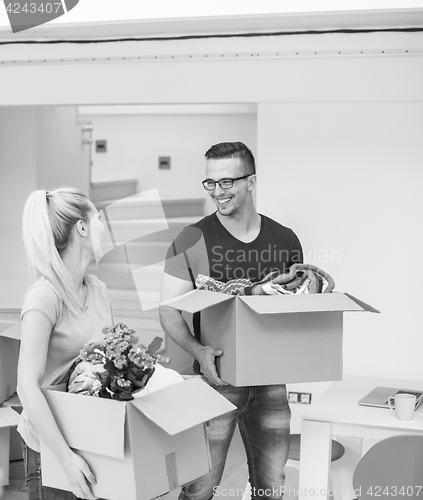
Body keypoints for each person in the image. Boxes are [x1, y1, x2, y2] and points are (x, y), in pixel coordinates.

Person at [159, 142, 303, 500]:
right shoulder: (191, 239)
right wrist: (198, 351)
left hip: (271, 380)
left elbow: (296, 306)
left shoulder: (284, 240)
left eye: (227, 182)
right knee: (199, 488)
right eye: (210, 183)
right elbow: (168, 309)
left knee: (272, 487)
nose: (217, 193)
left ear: (250, 181)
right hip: (216, 378)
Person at [17, 187, 112, 500]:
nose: (103, 225)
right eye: (98, 217)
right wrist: (65, 457)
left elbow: (107, 361)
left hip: (87, 434)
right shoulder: (45, 297)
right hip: (50, 444)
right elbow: (26, 386)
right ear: (82, 226)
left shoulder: (98, 289)